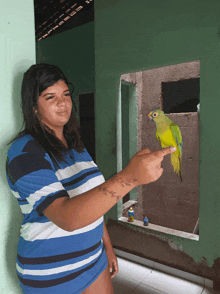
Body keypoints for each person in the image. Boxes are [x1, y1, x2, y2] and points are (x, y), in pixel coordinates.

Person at [6, 64, 176, 294]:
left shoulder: (75, 146)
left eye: (66, 94)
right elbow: (67, 217)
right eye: (50, 97)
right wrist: (130, 177)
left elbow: (93, 202)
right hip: (50, 272)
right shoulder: (24, 153)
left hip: (92, 258)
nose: (63, 103)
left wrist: (107, 246)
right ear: (34, 107)